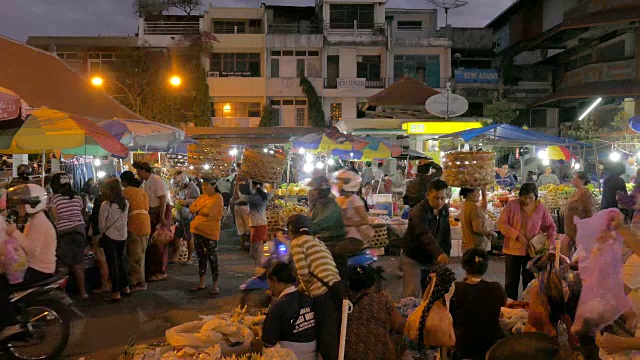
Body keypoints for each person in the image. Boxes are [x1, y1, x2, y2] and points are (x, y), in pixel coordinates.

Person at [0, 184, 57, 340]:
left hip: (39, 270)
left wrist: (14, 233)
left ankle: (11, 325)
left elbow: (32, 250)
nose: (18, 209)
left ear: (31, 204)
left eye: (20, 205)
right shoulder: (35, 220)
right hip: (31, 266)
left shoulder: (40, 222)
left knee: (2, 285)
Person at [288, 214, 342, 360]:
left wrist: (303, 289)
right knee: (334, 329)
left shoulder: (297, 243)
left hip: (322, 291)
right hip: (336, 287)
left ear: (292, 231)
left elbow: (303, 273)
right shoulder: (317, 241)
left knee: (325, 334)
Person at [498, 183, 556, 300]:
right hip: (512, 250)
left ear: (535, 197)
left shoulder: (540, 208)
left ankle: (528, 306)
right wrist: (517, 235)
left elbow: (550, 227)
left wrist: (549, 243)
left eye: (530, 198)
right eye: (524, 198)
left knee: (529, 281)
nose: (527, 201)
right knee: (511, 281)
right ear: (520, 196)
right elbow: (502, 224)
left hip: (532, 252)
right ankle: (510, 305)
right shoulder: (511, 205)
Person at [450, 248, 507, 359]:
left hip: (463, 344)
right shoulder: (496, 288)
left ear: (464, 266)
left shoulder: (455, 289)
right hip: (491, 343)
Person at [401, 179, 451, 298]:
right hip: (413, 257)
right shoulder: (417, 212)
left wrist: (445, 253)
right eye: (436, 198)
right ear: (427, 195)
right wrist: (439, 253)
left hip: (431, 258)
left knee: (431, 294)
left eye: (442, 198)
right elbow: (424, 234)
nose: (439, 202)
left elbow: (446, 234)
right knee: (411, 295)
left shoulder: (444, 210)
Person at [258, 262, 317, 360]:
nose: (270, 289)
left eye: (270, 285)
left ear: (275, 281)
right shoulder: (307, 298)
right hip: (313, 353)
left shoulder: (278, 306)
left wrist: (260, 330)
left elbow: (268, 341)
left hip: (291, 355)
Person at [344, 265, 405, 360]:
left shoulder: (345, 302)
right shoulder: (381, 299)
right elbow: (399, 325)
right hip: (380, 354)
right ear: (372, 282)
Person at [49, 172, 88, 299]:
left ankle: (63, 295)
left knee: (63, 265)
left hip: (64, 232)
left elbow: (54, 218)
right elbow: (81, 213)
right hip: (79, 231)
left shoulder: (54, 199)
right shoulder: (77, 197)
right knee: (78, 263)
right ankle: (83, 292)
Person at [133, 161, 170, 282]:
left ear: (144, 170)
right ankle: (154, 270)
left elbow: (163, 199)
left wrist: (162, 217)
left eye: (138, 171)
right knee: (152, 243)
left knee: (158, 242)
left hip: (158, 211)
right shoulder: (147, 182)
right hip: (152, 211)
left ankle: (160, 271)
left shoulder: (156, 181)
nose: (138, 174)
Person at [188, 178, 224, 295]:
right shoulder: (203, 197)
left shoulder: (218, 198)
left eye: (206, 185)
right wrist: (201, 208)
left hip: (210, 232)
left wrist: (199, 209)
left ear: (213, 186)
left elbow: (209, 212)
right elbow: (191, 208)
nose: (203, 187)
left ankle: (215, 285)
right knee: (201, 257)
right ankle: (201, 282)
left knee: (212, 257)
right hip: (197, 229)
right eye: (203, 185)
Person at [99, 178, 130, 302]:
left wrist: (102, 234)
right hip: (122, 236)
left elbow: (101, 223)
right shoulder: (125, 203)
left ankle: (116, 291)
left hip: (110, 236)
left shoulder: (106, 204)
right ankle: (126, 287)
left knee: (112, 264)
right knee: (122, 262)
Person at [120, 171, 151, 292]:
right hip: (145, 223)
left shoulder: (126, 192)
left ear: (124, 182)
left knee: (134, 255)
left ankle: (138, 282)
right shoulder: (141, 191)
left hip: (135, 224)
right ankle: (139, 280)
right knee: (141, 254)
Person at [562, 171, 596, 256]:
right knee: (565, 250)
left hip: (578, 230)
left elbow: (590, 213)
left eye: (575, 178)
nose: (573, 180)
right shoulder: (575, 192)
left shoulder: (586, 195)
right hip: (570, 228)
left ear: (582, 180)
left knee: (577, 253)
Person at [240, 180, 273, 268]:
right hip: (261, 224)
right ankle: (260, 268)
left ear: (253, 186)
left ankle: (259, 269)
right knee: (258, 249)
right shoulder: (264, 196)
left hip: (257, 226)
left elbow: (238, 196)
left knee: (256, 250)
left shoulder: (255, 198)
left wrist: (237, 183)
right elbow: (273, 190)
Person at [171, 171, 200, 264]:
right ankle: (175, 256)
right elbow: (174, 196)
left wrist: (186, 202)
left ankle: (189, 258)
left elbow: (197, 200)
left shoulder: (193, 187)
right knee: (176, 236)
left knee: (189, 236)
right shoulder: (179, 188)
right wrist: (175, 200)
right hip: (180, 216)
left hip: (189, 216)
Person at [307, 175, 345, 244]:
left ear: (322, 191)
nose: (309, 192)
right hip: (324, 239)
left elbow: (319, 224)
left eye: (314, 189)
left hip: (332, 242)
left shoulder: (330, 205)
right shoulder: (318, 204)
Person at [334, 170, 370, 241]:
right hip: (344, 235)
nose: (338, 184)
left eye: (342, 181)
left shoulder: (354, 199)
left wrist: (347, 222)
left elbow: (365, 220)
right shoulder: (342, 199)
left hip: (354, 238)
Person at [459, 187, 497, 252]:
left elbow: (483, 209)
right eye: (477, 192)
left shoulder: (465, 205)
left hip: (467, 245)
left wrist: (484, 193)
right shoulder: (474, 207)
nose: (479, 195)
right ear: (469, 194)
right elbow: (477, 228)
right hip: (475, 246)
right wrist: (491, 233)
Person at [233, 166, 251, 251]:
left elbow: (233, 195)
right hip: (244, 206)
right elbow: (250, 194)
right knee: (247, 225)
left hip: (237, 205)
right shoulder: (247, 182)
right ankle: (246, 243)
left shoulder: (236, 182)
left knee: (240, 226)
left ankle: (242, 244)